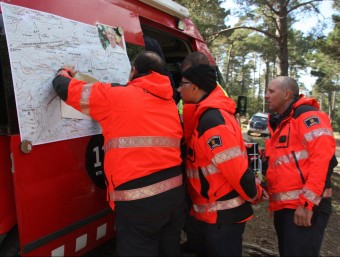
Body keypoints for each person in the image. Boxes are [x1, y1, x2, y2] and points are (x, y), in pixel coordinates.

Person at [52, 51, 186, 256]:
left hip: (139, 203)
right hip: (175, 196)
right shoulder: (169, 104)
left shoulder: (116, 96)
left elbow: (64, 88)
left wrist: (63, 72)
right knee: (169, 249)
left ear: (134, 71)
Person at [177, 64, 266, 256]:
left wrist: (256, 193)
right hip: (210, 216)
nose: (178, 88)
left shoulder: (213, 122)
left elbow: (236, 170)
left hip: (222, 220)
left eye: (182, 84)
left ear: (195, 87)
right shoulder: (207, 116)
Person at [264, 76, 337, 256]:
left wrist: (307, 204)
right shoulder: (283, 122)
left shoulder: (308, 117)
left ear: (287, 94)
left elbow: (322, 160)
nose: (266, 96)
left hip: (306, 207)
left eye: (271, 91)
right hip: (286, 207)